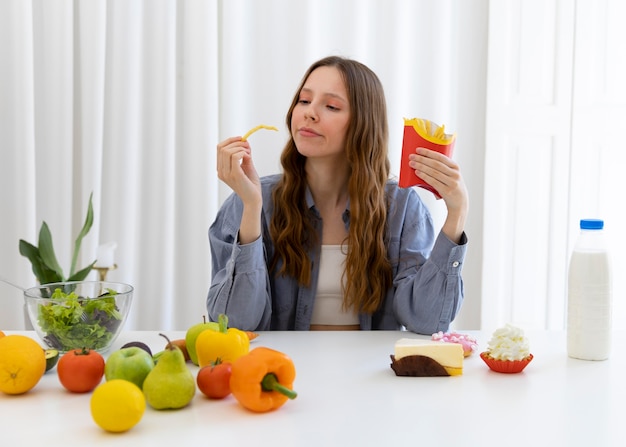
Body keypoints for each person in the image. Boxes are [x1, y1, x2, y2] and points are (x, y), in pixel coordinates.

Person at [208, 55, 468, 333]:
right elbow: (235, 324)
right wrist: (251, 207)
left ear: (363, 124)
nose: (309, 113)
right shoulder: (253, 199)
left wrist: (457, 214)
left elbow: (426, 320)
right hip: (283, 372)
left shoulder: (402, 207)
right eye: (304, 101)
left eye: (331, 106)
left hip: (372, 374)